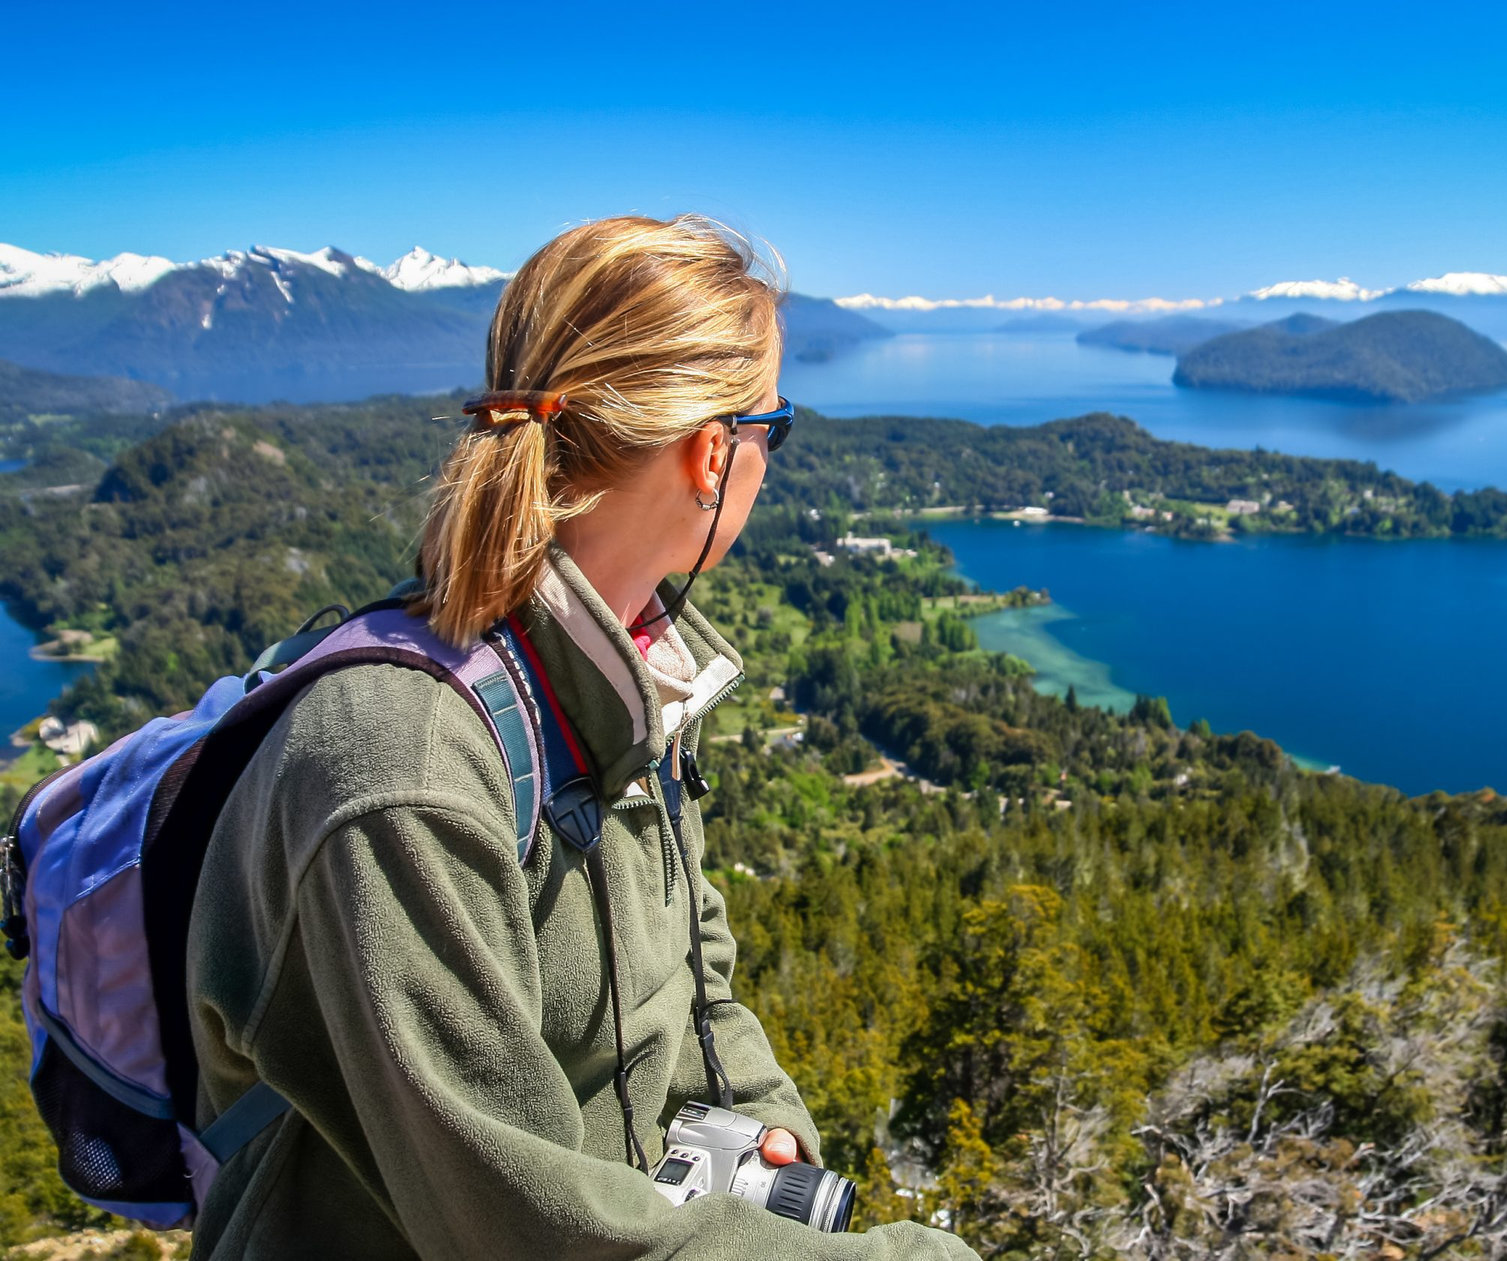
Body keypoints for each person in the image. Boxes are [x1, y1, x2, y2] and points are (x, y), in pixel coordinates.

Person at [185, 216, 979, 1260]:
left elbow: (695, 964)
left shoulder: (631, 677)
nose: (769, 459)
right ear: (711, 454)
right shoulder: (404, 768)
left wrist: (765, 1115)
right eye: (771, 428)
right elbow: (520, 1234)